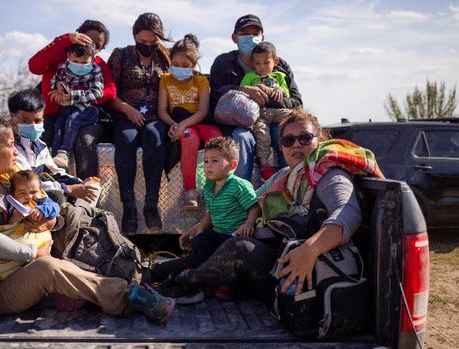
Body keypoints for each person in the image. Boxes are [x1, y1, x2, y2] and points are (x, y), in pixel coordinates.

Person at [0, 114, 175, 322]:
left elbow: (49, 205)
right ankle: (127, 296)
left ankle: (128, 271)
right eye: (11, 145)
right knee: (47, 267)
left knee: (71, 217)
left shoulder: (6, 179)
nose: (16, 152)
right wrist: (34, 253)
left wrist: (49, 221)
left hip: (13, 270)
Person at [156, 109, 383, 307]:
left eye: (304, 138)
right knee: (206, 242)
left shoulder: (328, 175)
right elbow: (252, 202)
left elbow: (348, 214)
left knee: (238, 246)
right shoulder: (286, 175)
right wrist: (200, 227)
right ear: (281, 146)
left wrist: (310, 250)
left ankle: (185, 284)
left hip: (295, 268)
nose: (296, 145)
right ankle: (150, 274)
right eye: (288, 141)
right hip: (270, 251)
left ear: (319, 140)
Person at [151, 137, 258, 291]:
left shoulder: (239, 185)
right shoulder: (208, 187)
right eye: (206, 161)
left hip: (234, 238)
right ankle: (203, 277)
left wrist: (248, 223)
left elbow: (254, 207)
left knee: (208, 250)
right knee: (200, 241)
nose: (208, 166)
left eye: (214, 161)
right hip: (218, 235)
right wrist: (198, 232)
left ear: (233, 164)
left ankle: (212, 281)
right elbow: (211, 214)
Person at [209, 14, 303, 182]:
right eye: (244, 33)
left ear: (262, 37)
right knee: (241, 138)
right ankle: (240, 197)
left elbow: (297, 103)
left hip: (274, 120)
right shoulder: (223, 62)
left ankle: (289, 189)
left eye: (255, 33)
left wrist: (273, 95)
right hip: (239, 125)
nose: (250, 37)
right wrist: (243, 91)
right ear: (234, 37)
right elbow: (214, 97)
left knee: (285, 134)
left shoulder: (279, 65)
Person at [107, 13, 171, 233]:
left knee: (155, 137)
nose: (148, 46)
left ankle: (151, 205)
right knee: (126, 139)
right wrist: (127, 109)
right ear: (134, 36)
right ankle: (129, 207)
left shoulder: (165, 57)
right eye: (143, 42)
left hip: (156, 115)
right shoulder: (121, 55)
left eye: (153, 42)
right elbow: (108, 93)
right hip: (125, 113)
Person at [28, 20, 115, 179]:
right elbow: (34, 66)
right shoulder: (60, 55)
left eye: (97, 45)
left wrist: (72, 96)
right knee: (41, 139)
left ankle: (87, 192)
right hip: (50, 114)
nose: (90, 45)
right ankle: (42, 188)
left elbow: (109, 91)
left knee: (83, 140)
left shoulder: (96, 65)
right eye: (87, 39)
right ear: (77, 36)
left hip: (81, 112)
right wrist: (64, 40)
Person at [157, 33, 222, 210]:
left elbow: (202, 111)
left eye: (185, 65)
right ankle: (190, 191)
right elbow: (162, 110)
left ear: (193, 65)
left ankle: (216, 188)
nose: (179, 68)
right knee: (188, 138)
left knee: (215, 139)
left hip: (198, 121)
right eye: (175, 65)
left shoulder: (201, 81)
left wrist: (182, 125)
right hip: (178, 122)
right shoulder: (165, 79)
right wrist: (173, 125)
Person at [7, 88, 98, 206]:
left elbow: (55, 172)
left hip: (38, 190)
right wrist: (67, 189)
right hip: (22, 197)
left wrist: (78, 183)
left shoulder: (40, 146)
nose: (32, 126)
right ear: (12, 119)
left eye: (37, 120)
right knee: (57, 197)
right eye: (25, 121)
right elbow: (27, 181)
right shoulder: (11, 147)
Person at [240, 42, 295, 180]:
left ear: (275, 61)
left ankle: (292, 167)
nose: (262, 67)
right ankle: (265, 166)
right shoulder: (250, 77)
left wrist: (279, 90)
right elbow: (241, 91)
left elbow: (287, 93)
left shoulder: (280, 76)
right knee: (262, 135)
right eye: (257, 64)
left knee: (291, 125)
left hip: (278, 111)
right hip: (260, 113)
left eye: (266, 63)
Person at [50, 43, 103, 168]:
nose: (79, 64)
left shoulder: (96, 71)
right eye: (75, 61)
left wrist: (73, 95)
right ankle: (55, 159)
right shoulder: (63, 68)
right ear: (68, 56)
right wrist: (57, 86)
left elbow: (97, 93)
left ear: (93, 59)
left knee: (72, 121)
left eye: (84, 62)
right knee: (59, 127)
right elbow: (55, 80)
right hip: (66, 107)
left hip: (87, 109)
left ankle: (65, 152)